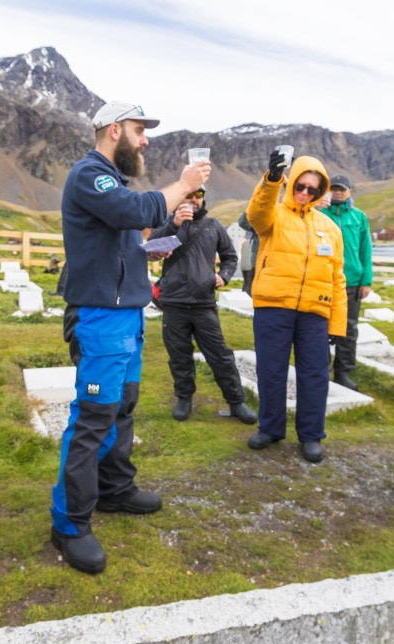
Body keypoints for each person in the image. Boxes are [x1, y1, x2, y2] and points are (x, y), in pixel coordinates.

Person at [51, 101, 211, 574]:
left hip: (128, 318)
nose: (145, 142)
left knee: (122, 409)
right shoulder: (91, 175)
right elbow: (129, 209)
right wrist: (184, 182)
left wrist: (163, 232)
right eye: (141, 132)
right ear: (115, 130)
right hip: (100, 321)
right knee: (93, 419)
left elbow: (131, 231)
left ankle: (115, 489)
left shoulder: (112, 183)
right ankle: (69, 524)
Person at [244, 150, 347, 463]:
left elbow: (337, 278)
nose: (305, 193)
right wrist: (272, 180)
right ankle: (271, 427)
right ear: (292, 187)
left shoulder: (330, 228)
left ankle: (311, 435)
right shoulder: (273, 215)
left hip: (314, 311)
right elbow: (256, 213)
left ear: (320, 192)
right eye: (300, 186)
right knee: (271, 371)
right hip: (273, 306)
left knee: (315, 374)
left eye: (312, 189)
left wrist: (337, 325)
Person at [148, 187, 257, 424]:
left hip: (203, 303)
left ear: (203, 198)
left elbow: (230, 257)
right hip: (174, 303)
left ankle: (236, 402)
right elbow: (151, 248)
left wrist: (224, 276)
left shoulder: (214, 226)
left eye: (197, 196)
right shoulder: (169, 223)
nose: (193, 200)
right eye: (188, 196)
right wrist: (174, 224)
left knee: (220, 355)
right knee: (179, 355)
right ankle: (184, 399)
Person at [319, 175, 373, 391]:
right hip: (324, 280)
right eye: (334, 189)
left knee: (349, 329)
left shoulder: (359, 217)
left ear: (350, 190)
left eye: (342, 189)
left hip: (351, 282)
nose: (338, 193)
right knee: (319, 327)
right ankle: (319, 370)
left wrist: (366, 280)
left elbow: (366, 249)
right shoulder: (319, 214)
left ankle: (343, 372)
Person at [237, 211, 259, 296]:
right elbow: (243, 222)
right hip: (254, 265)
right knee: (249, 288)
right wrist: (251, 208)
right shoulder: (259, 227)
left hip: (271, 265)